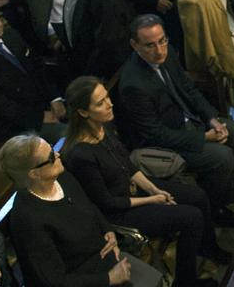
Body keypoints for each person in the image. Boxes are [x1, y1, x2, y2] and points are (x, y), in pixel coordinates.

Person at [61, 77, 222, 287]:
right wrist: (153, 199)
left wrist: (155, 189)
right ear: (83, 112)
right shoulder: (80, 155)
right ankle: (185, 281)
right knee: (191, 217)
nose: (110, 104)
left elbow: (127, 166)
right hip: (120, 210)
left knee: (196, 195)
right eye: (100, 103)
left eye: (107, 97)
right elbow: (107, 202)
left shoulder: (103, 127)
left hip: (134, 191)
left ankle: (207, 249)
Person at [115, 14, 234, 228]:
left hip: (187, 121)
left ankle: (231, 190)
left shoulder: (168, 53)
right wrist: (202, 137)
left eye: (162, 41)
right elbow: (155, 135)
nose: (159, 50)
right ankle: (216, 209)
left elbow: (189, 89)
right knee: (222, 156)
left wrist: (212, 119)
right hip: (164, 143)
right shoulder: (133, 84)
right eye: (150, 45)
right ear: (135, 45)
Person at [0, 134, 162, 287]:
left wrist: (108, 231)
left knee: (155, 279)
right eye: (51, 157)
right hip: (81, 277)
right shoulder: (28, 219)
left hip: (102, 255)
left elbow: (89, 207)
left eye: (53, 148)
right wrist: (109, 278)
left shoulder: (63, 178)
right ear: (34, 174)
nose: (58, 155)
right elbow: (53, 280)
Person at [0, 1, 64, 140]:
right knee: (69, 134)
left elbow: (38, 68)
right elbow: (1, 106)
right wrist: (40, 117)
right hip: (20, 124)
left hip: (45, 104)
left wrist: (55, 98)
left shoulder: (11, 35)